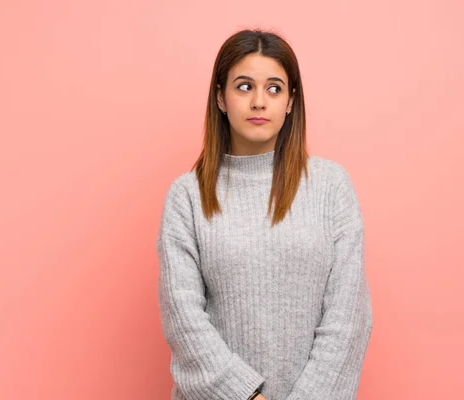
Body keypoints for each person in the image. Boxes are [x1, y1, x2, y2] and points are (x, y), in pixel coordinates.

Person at [157, 28, 373, 400]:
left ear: (291, 101)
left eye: (274, 88)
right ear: (221, 98)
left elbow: (348, 315)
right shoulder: (187, 195)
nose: (260, 102)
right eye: (244, 86)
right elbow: (183, 319)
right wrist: (245, 396)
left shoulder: (330, 185)